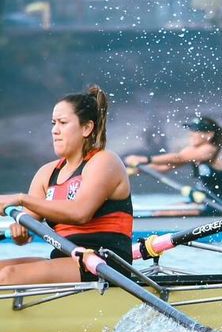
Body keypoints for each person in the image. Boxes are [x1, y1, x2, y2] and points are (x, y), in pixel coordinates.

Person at [0, 85, 133, 284]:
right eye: (53, 123)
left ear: (86, 128)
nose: (55, 130)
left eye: (62, 123)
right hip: (67, 260)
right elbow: (25, 233)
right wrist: (19, 230)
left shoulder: (104, 161)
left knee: (8, 276)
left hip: (105, 264)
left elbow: (80, 213)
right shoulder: (46, 173)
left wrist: (21, 199)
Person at [125, 116, 222, 202]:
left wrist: (145, 159)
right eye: (191, 130)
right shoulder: (194, 151)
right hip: (200, 200)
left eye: (196, 131)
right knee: (162, 211)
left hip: (215, 204)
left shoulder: (210, 149)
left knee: (165, 213)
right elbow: (165, 167)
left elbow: (178, 158)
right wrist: (134, 170)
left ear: (209, 135)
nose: (191, 134)